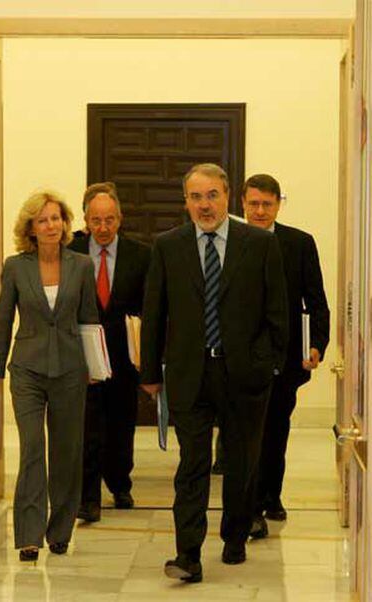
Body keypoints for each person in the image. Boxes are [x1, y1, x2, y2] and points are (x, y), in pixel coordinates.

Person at [140, 163, 289, 582]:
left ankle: (235, 536)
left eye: (212, 196)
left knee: (242, 463)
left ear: (227, 197)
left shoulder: (258, 243)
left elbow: (277, 311)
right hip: (190, 373)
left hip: (245, 374)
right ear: (185, 201)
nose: (204, 205)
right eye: (195, 197)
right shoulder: (168, 246)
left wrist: (270, 363)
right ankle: (188, 553)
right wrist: (150, 372)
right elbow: (155, 314)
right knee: (192, 464)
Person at [0, 190, 99, 562]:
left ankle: (60, 531)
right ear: (31, 228)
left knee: (66, 452)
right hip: (27, 369)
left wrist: (95, 367)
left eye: (56, 218)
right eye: (43, 220)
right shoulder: (16, 267)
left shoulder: (81, 265)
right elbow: (3, 323)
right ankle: (29, 536)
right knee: (33, 448)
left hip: (69, 369)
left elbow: (89, 320)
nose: (51, 225)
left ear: (65, 223)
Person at [241, 173, 330, 539]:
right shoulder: (232, 243)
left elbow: (316, 300)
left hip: (286, 357)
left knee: (276, 429)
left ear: (278, 204)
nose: (260, 211)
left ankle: (270, 496)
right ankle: (251, 503)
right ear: (242, 205)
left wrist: (317, 345)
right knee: (248, 433)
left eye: (267, 204)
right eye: (254, 204)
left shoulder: (299, 243)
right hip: (244, 357)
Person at [69, 182, 151, 522]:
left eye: (110, 220)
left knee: (121, 423)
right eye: (96, 220)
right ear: (86, 220)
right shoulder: (70, 251)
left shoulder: (141, 254)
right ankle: (88, 498)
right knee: (86, 426)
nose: (103, 228)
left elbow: (149, 306)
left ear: (120, 219)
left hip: (122, 355)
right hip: (81, 354)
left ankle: (120, 483)